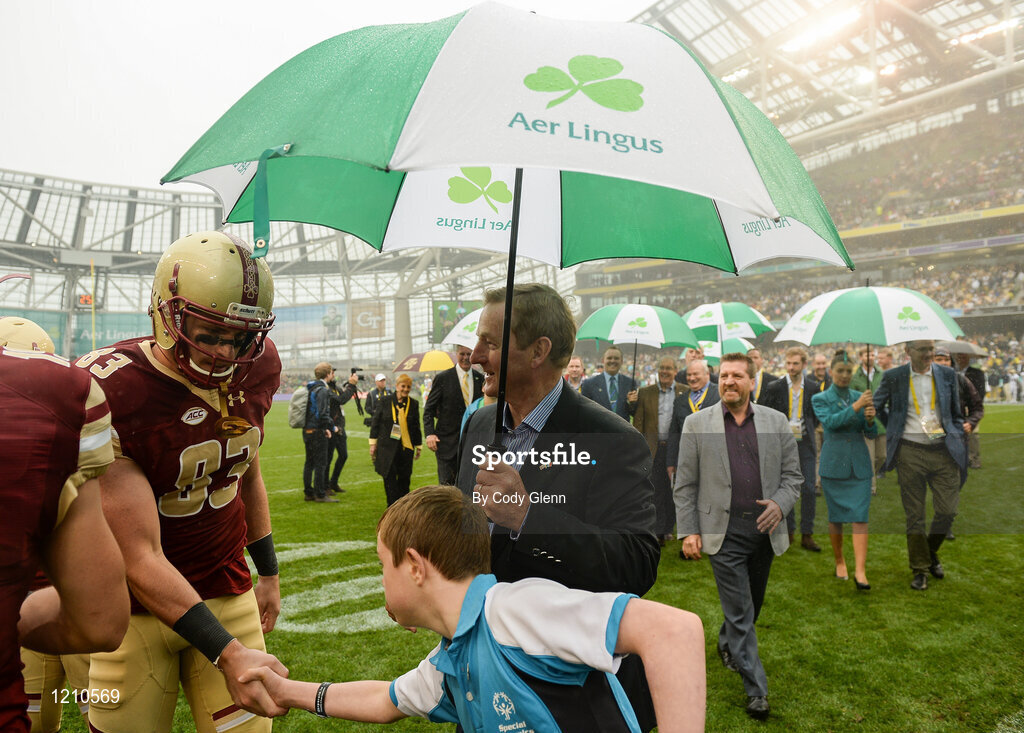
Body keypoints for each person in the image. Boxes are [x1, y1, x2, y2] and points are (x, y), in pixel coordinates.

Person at [240, 486, 706, 732]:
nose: (382, 580)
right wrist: (285, 691)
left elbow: (674, 630)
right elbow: (384, 701)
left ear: (416, 567)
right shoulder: (450, 662)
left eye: (384, 565)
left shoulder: (514, 610)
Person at [77, 231, 289, 732]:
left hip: (225, 588)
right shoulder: (114, 388)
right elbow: (138, 557)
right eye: (210, 332)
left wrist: (269, 572)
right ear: (166, 314)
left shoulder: (260, 367)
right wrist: (227, 652)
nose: (224, 352)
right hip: (131, 613)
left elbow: (247, 468)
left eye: (238, 337)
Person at [456, 283, 660, 730]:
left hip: (571, 690)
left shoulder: (613, 440)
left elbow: (637, 563)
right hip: (486, 676)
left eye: (489, 342)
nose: (474, 355)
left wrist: (530, 518)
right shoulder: (481, 422)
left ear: (538, 351)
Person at [1, 318, 129, 733]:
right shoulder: (66, 403)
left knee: (68, 711)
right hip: (62, 603)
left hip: (49, 604)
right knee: (91, 711)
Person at [675, 352, 801, 720]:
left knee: (752, 605)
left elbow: (794, 478)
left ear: (752, 380)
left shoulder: (776, 422)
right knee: (742, 612)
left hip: (764, 532)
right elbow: (685, 484)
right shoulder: (698, 425)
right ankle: (756, 690)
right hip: (723, 534)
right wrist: (689, 531)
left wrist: (780, 503)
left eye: (737, 376)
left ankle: (726, 641)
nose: (729, 382)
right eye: (724, 376)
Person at [873, 340, 966, 591]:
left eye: (930, 348)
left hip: (944, 451)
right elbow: (878, 406)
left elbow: (956, 412)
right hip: (910, 452)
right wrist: (894, 426)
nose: (929, 354)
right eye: (923, 349)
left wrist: (956, 432)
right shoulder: (894, 376)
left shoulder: (947, 374)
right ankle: (920, 569)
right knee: (915, 516)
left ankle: (931, 551)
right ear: (908, 352)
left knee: (948, 511)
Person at [812, 350, 878, 590]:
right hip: (834, 465)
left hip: (859, 465)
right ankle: (840, 560)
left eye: (848, 372)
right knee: (837, 517)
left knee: (860, 517)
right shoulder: (819, 399)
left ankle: (861, 571)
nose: (844, 375)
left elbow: (870, 434)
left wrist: (870, 420)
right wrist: (858, 407)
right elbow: (831, 423)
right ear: (831, 372)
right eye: (840, 371)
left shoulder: (861, 395)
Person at [761, 346, 822, 552]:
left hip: (805, 443)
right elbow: (765, 413)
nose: (791, 367)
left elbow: (814, 416)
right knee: (786, 488)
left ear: (804, 365)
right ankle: (790, 530)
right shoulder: (775, 387)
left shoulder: (813, 387)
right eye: (788, 363)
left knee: (808, 488)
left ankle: (808, 533)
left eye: (795, 363)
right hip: (782, 444)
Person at [666, 359, 719, 559]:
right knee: (688, 498)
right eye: (689, 375)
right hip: (687, 460)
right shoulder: (680, 400)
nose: (692, 378)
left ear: (707, 375)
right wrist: (671, 462)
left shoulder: (719, 394)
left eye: (696, 374)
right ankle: (689, 539)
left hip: (715, 458)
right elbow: (674, 432)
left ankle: (711, 539)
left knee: (711, 499)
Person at [633, 356, 686, 546]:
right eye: (662, 368)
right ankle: (656, 529)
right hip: (653, 449)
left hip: (675, 449)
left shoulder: (684, 392)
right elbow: (638, 422)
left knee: (672, 491)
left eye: (668, 368)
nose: (664, 371)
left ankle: (668, 528)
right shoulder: (646, 392)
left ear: (675, 371)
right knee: (654, 490)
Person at [422, 345, 483, 484]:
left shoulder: (480, 379)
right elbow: (429, 410)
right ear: (456, 354)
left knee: (469, 488)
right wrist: (430, 433)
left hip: (473, 445)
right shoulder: (443, 378)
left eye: (469, 354)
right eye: (462, 354)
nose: (466, 357)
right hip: (446, 445)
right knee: (446, 491)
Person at [370, 373, 422, 506]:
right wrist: (372, 444)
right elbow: (375, 422)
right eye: (403, 386)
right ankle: (392, 506)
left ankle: (402, 508)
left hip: (406, 448)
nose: (405, 389)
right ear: (397, 386)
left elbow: (416, 426)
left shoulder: (414, 404)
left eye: (408, 387)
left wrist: (418, 446)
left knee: (405, 480)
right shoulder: (385, 401)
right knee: (389, 479)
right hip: (387, 448)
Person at [303, 363, 341, 503]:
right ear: (328, 374)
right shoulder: (323, 390)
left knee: (309, 463)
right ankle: (320, 494)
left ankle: (308, 493)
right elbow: (323, 413)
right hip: (317, 432)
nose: (333, 375)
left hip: (308, 429)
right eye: (332, 372)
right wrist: (332, 428)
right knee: (321, 463)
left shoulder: (311, 387)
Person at [851, 346, 887, 488]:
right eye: (867, 354)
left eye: (872, 354)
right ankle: (871, 486)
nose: (870, 357)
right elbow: (853, 398)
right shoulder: (855, 377)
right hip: (865, 421)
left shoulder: (883, 374)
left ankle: (868, 475)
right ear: (861, 357)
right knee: (870, 456)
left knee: (882, 456)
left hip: (881, 420)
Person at [325, 367, 360, 495]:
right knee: (328, 458)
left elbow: (343, 397)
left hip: (339, 427)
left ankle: (333, 482)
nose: (333, 374)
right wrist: (351, 385)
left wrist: (351, 386)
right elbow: (341, 400)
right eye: (332, 372)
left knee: (343, 455)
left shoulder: (335, 388)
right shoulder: (326, 389)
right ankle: (325, 485)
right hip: (330, 427)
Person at [581, 345, 639, 420]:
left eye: (616, 358)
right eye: (609, 358)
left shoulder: (630, 383)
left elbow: (634, 413)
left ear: (621, 361)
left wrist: (632, 403)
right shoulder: (588, 384)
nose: (612, 361)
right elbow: (584, 413)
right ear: (603, 360)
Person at [954, 351, 986, 469]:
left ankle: (974, 459)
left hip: (971, 407)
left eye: (963, 356)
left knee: (973, 433)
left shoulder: (977, 373)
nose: (960, 359)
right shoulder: (952, 371)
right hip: (958, 408)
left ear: (968, 358)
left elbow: (980, 391)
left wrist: (972, 408)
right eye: (958, 356)